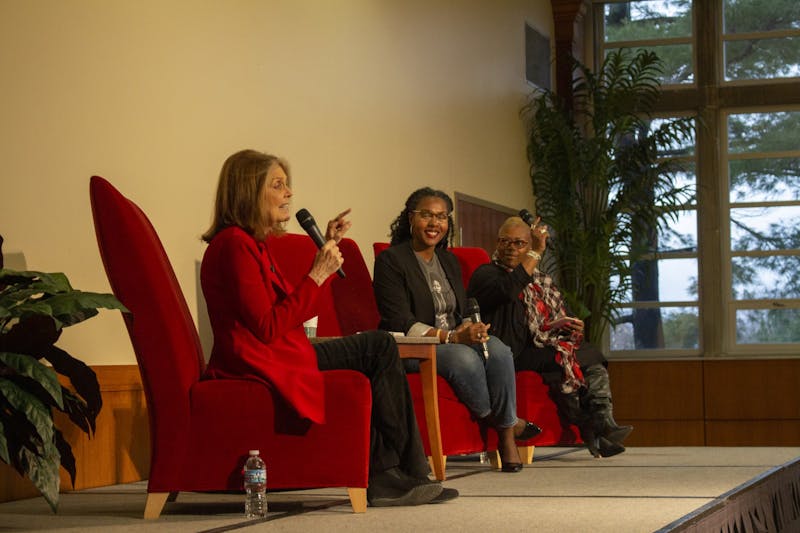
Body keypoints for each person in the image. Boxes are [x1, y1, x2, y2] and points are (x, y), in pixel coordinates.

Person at [200, 149, 457, 506]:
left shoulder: (249, 244)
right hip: (259, 359)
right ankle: (401, 472)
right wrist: (318, 274)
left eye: (287, 185)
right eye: (278, 185)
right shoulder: (233, 246)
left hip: (276, 350)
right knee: (380, 346)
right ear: (249, 191)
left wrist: (325, 250)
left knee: (378, 346)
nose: (289, 193)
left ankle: (399, 473)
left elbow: (281, 307)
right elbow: (268, 326)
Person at [373, 187, 541, 473]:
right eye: (426, 215)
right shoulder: (392, 261)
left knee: (499, 350)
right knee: (465, 358)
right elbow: (399, 319)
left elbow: (460, 310)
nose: (434, 223)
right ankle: (507, 427)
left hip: (455, 339)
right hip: (412, 347)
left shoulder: (447, 260)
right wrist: (450, 337)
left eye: (441, 217)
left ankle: (504, 432)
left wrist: (471, 328)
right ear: (411, 218)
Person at [467, 216, 633, 458]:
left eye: (519, 243)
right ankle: (596, 429)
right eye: (505, 242)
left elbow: (557, 313)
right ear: (497, 243)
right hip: (507, 352)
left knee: (588, 353)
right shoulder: (487, 273)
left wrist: (568, 324)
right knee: (559, 357)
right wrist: (535, 251)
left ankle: (602, 419)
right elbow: (509, 289)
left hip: (538, 344)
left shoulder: (540, 280)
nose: (511, 248)